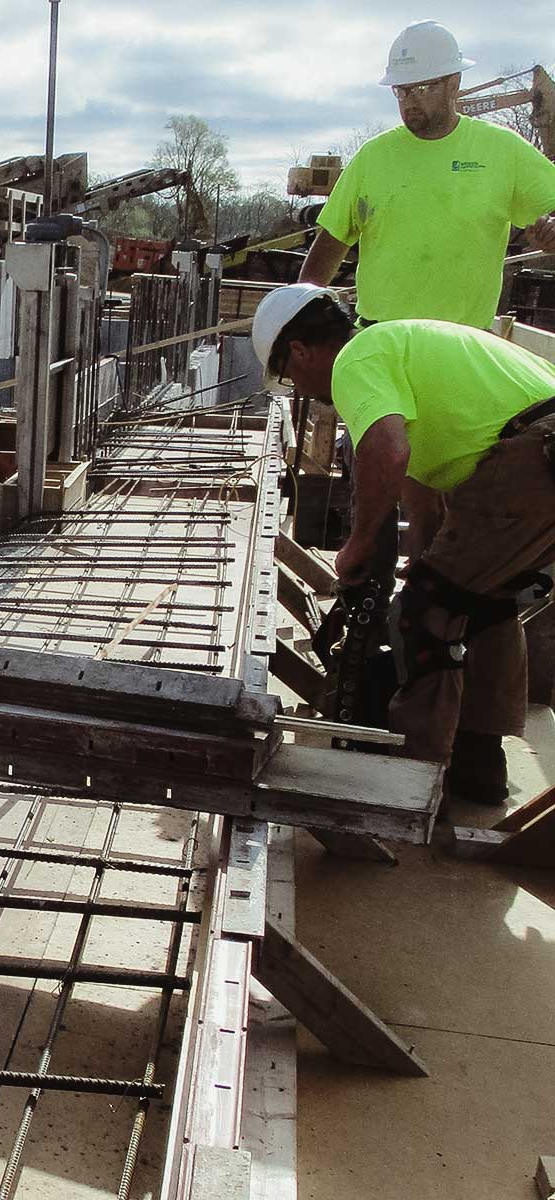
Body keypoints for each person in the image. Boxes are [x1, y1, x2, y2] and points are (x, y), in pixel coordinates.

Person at [252, 283, 555, 800]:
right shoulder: (397, 353)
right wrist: (424, 566)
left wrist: (359, 544)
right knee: (482, 606)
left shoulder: (357, 360)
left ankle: (411, 781)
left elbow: (387, 453)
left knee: (425, 613)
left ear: (299, 350)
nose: (298, 389)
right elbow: (424, 501)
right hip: (541, 452)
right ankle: (480, 765)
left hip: (532, 456)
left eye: (288, 375)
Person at [299, 20, 555, 324]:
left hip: (462, 343)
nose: (410, 101)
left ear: (453, 83)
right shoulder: (373, 156)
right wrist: (302, 314)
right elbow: (330, 243)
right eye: (402, 91)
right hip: (381, 340)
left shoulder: (502, 150)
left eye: (422, 87)